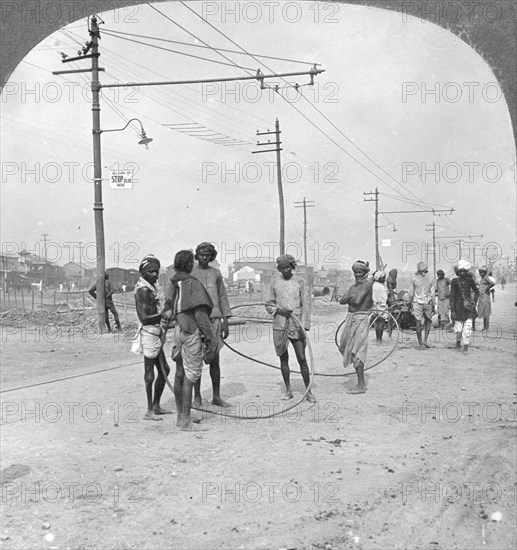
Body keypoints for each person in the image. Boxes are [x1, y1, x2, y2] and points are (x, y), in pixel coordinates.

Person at [164, 250, 215, 431]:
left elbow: (167, 310)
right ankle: (186, 422)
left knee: (179, 373)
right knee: (189, 376)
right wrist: (210, 339)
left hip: (178, 331)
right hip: (192, 332)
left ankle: (180, 417)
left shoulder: (173, 284)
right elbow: (201, 316)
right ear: (189, 265)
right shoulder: (193, 284)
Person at [265, 254, 315, 403]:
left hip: (296, 324)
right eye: (282, 268)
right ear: (279, 269)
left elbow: (306, 304)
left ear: (292, 267)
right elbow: (268, 304)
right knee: (283, 358)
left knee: (301, 358)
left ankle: (308, 391)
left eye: (288, 267)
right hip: (280, 324)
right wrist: (279, 311)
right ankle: (288, 389)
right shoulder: (274, 283)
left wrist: (304, 325)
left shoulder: (300, 282)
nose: (285, 270)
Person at [191, 242, 232, 408]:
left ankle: (216, 396)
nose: (205, 257)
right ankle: (197, 397)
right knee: (196, 359)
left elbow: (222, 296)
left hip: (215, 320)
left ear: (212, 256)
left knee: (215, 359)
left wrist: (225, 320)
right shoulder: (191, 273)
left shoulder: (216, 273)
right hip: (197, 321)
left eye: (208, 255)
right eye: (202, 254)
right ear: (197, 255)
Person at [132, 255, 172, 421]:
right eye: (151, 272)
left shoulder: (151, 287)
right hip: (148, 332)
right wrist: (163, 315)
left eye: (156, 271)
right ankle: (149, 410)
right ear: (143, 272)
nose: (155, 275)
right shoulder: (143, 290)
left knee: (165, 370)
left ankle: (155, 405)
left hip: (155, 332)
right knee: (150, 371)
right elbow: (144, 318)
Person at [338, 260, 373, 394]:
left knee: (357, 351)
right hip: (351, 318)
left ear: (365, 272)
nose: (358, 274)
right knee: (346, 346)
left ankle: (361, 384)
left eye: (360, 272)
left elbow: (357, 302)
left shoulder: (367, 284)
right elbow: (341, 300)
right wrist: (351, 296)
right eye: (356, 272)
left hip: (360, 319)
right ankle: (360, 382)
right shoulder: (354, 286)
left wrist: (350, 297)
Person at [450, 259, 479, 354]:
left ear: (466, 272)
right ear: (458, 272)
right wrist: (453, 310)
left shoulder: (470, 280)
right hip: (458, 308)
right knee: (458, 328)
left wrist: (474, 301)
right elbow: (452, 296)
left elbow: (477, 291)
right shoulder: (454, 281)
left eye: (464, 271)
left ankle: (465, 346)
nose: (462, 273)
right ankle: (458, 342)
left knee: (467, 328)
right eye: (460, 271)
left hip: (468, 308)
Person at [407, 262, 435, 349]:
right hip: (426, 302)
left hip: (417, 303)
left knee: (418, 322)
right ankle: (424, 341)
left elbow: (411, 293)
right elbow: (432, 292)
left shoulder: (414, 277)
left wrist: (409, 303)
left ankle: (420, 344)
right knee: (428, 321)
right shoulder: (431, 277)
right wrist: (433, 304)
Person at [372, 270, 388, 344]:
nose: (384, 279)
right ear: (379, 278)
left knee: (376, 323)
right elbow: (383, 299)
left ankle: (377, 338)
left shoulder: (374, 285)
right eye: (383, 278)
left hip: (375, 306)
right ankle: (379, 339)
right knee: (381, 323)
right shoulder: (381, 287)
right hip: (381, 306)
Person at [477, 266, 495, 331]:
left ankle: (486, 327)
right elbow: (482, 285)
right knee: (484, 312)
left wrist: (486, 289)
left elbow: (492, 283)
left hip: (485, 297)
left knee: (486, 312)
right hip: (482, 297)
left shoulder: (485, 278)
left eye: (481, 272)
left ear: (484, 272)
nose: (480, 274)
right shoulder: (483, 278)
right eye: (479, 272)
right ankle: (485, 327)